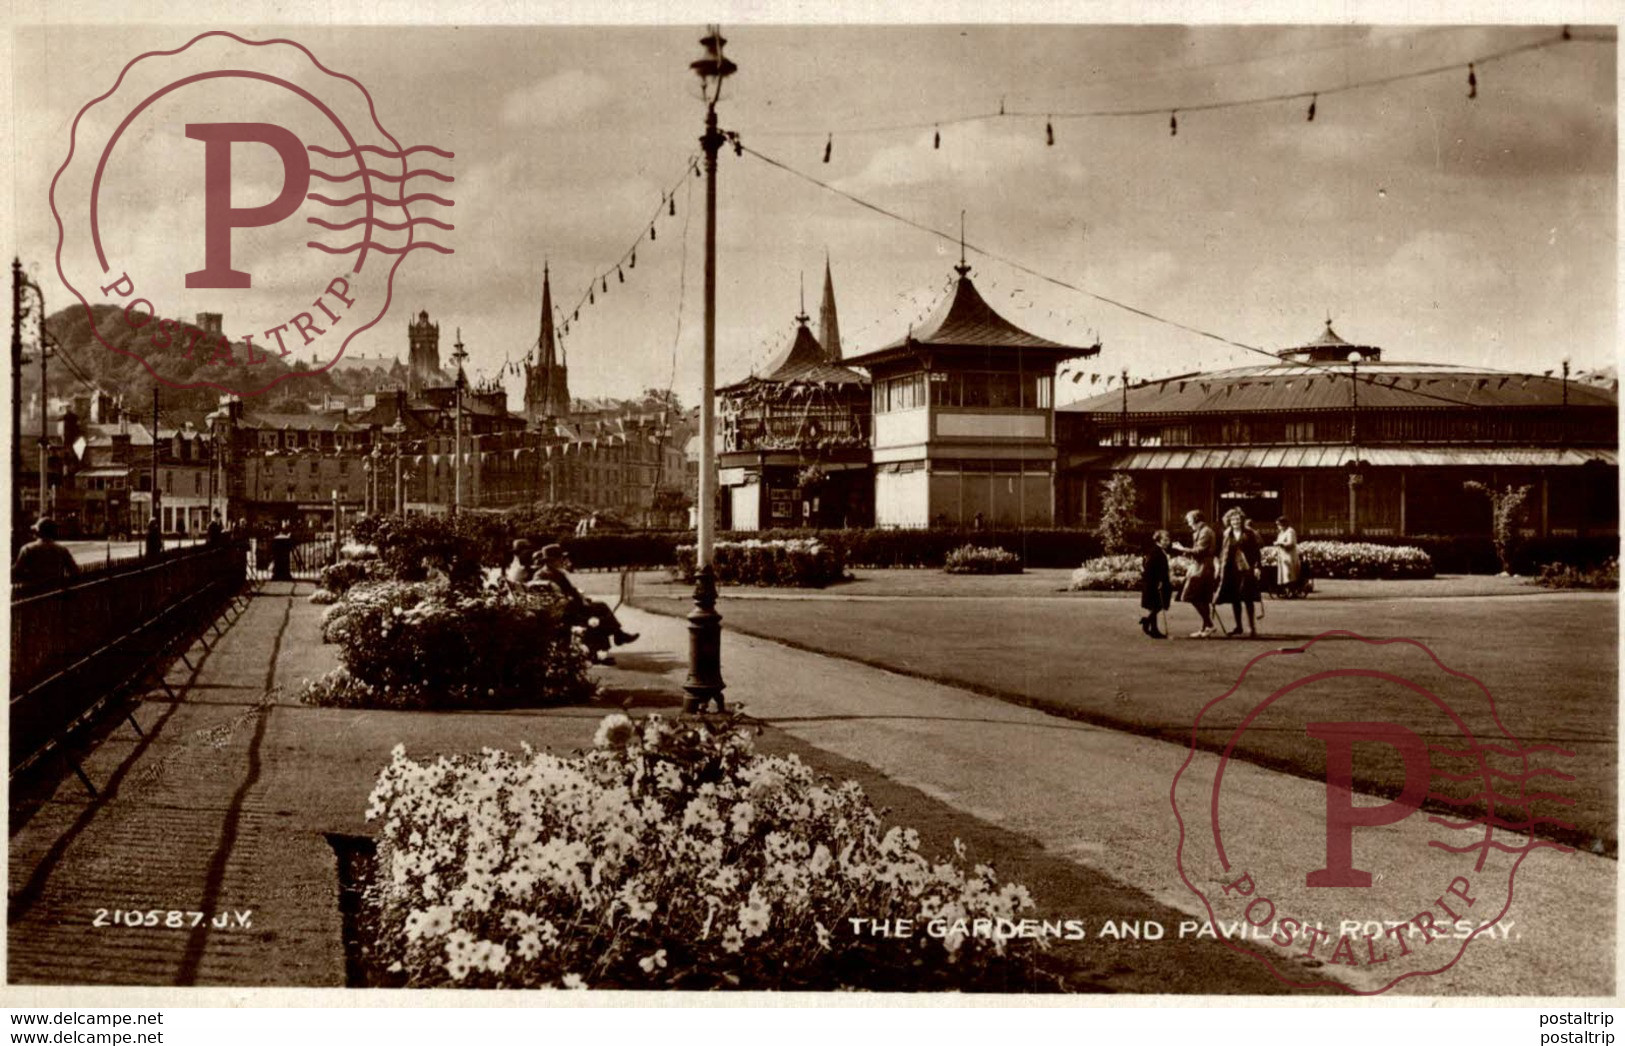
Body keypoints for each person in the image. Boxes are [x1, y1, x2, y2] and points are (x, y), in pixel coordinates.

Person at [528, 544, 638, 660]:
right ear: (552, 560)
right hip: (566, 611)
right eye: (560, 558)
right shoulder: (548, 575)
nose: (562, 560)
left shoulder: (547, 573)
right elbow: (563, 594)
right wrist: (580, 601)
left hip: (565, 608)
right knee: (600, 610)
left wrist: (581, 599)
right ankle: (615, 637)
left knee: (600, 609)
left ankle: (614, 639)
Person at [1215, 508, 1263, 637]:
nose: (1235, 521)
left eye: (1238, 519)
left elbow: (1256, 552)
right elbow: (1222, 551)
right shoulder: (1226, 534)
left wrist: (1257, 567)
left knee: (1248, 598)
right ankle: (1238, 627)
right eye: (1233, 519)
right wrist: (1219, 566)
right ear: (1229, 521)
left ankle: (1252, 628)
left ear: (1242, 520)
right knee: (1235, 598)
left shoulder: (1249, 533)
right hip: (1231, 570)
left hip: (1246, 569)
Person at [1173, 509, 1217, 637]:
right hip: (1201, 567)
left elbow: (1199, 551)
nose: (1188, 522)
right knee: (1202, 598)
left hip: (1202, 569)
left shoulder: (1206, 532)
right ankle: (1205, 629)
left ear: (1196, 519)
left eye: (1189, 519)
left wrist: (1181, 549)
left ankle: (1209, 625)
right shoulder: (1200, 531)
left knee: (1189, 595)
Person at [12, 517, 80, 588]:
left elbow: (16, 572)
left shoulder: (27, 549)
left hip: (33, 592)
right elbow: (75, 572)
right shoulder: (62, 550)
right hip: (55, 592)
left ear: (38, 532)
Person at [1138, 529, 1174, 639]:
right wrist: (1159, 581)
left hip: (1156, 582)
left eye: (1168, 540)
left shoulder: (1158, 551)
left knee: (1155, 605)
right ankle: (1148, 622)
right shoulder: (1155, 552)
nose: (1167, 542)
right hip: (1156, 583)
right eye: (1164, 540)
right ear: (1158, 540)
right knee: (1157, 605)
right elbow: (1150, 568)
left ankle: (1153, 629)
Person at [1274, 515, 1301, 591]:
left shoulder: (1290, 531)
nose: (1278, 527)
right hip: (1282, 556)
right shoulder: (1281, 533)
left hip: (1289, 556)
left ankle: (1292, 589)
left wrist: (1280, 543)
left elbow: (1291, 543)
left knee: (1289, 573)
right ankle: (1286, 588)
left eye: (1279, 525)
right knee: (1284, 574)